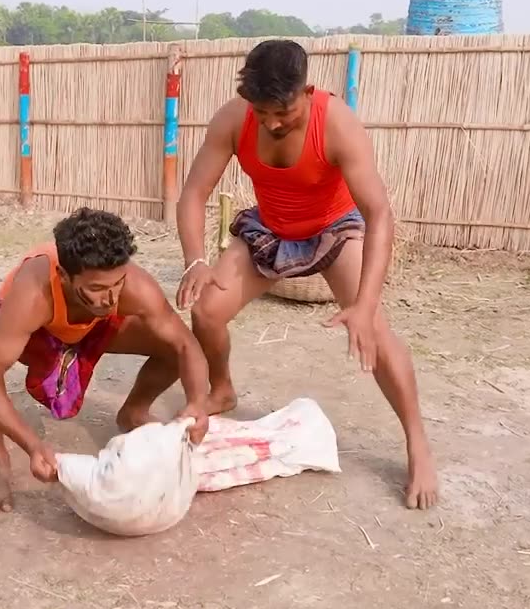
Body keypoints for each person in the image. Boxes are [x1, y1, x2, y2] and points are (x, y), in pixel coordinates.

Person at [174, 39, 439, 510]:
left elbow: (379, 214)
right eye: (263, 112)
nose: (273, 122)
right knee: (208, 309)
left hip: (335, 231)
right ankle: (222, 389)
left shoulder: (337, 124)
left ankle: (417, 442)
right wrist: (196, 259)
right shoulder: (234, 120)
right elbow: (193, 194)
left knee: (374, 334)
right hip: (271, 231)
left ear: (307, 91)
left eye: (284, 111)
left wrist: (364, 305)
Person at [0, 207, 210, 513]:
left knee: (170, 342)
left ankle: (134, 413)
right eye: (96, 288)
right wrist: (32, 445)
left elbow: (186, 345)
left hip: (95, 329)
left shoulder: (133, 287)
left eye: (117, 283)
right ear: (64, 276)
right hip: (40, 335)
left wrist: (198, 402)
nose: (110, 298)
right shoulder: (34, 293)